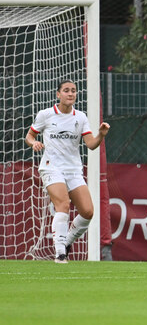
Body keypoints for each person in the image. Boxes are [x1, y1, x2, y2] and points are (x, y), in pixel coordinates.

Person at [25, 79, 110, 264]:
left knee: (88, 212)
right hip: (51, 167)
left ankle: (68, 241)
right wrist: (34, 143)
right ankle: (60, 253)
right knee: (63, 205)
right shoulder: (46, 115)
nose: (70, 93)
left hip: (73, 170)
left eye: (73, 90)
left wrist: (101, 135)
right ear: (58, 94)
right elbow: (30, 135)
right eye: (66, 90)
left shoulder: (80, 117)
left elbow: (91, 145)